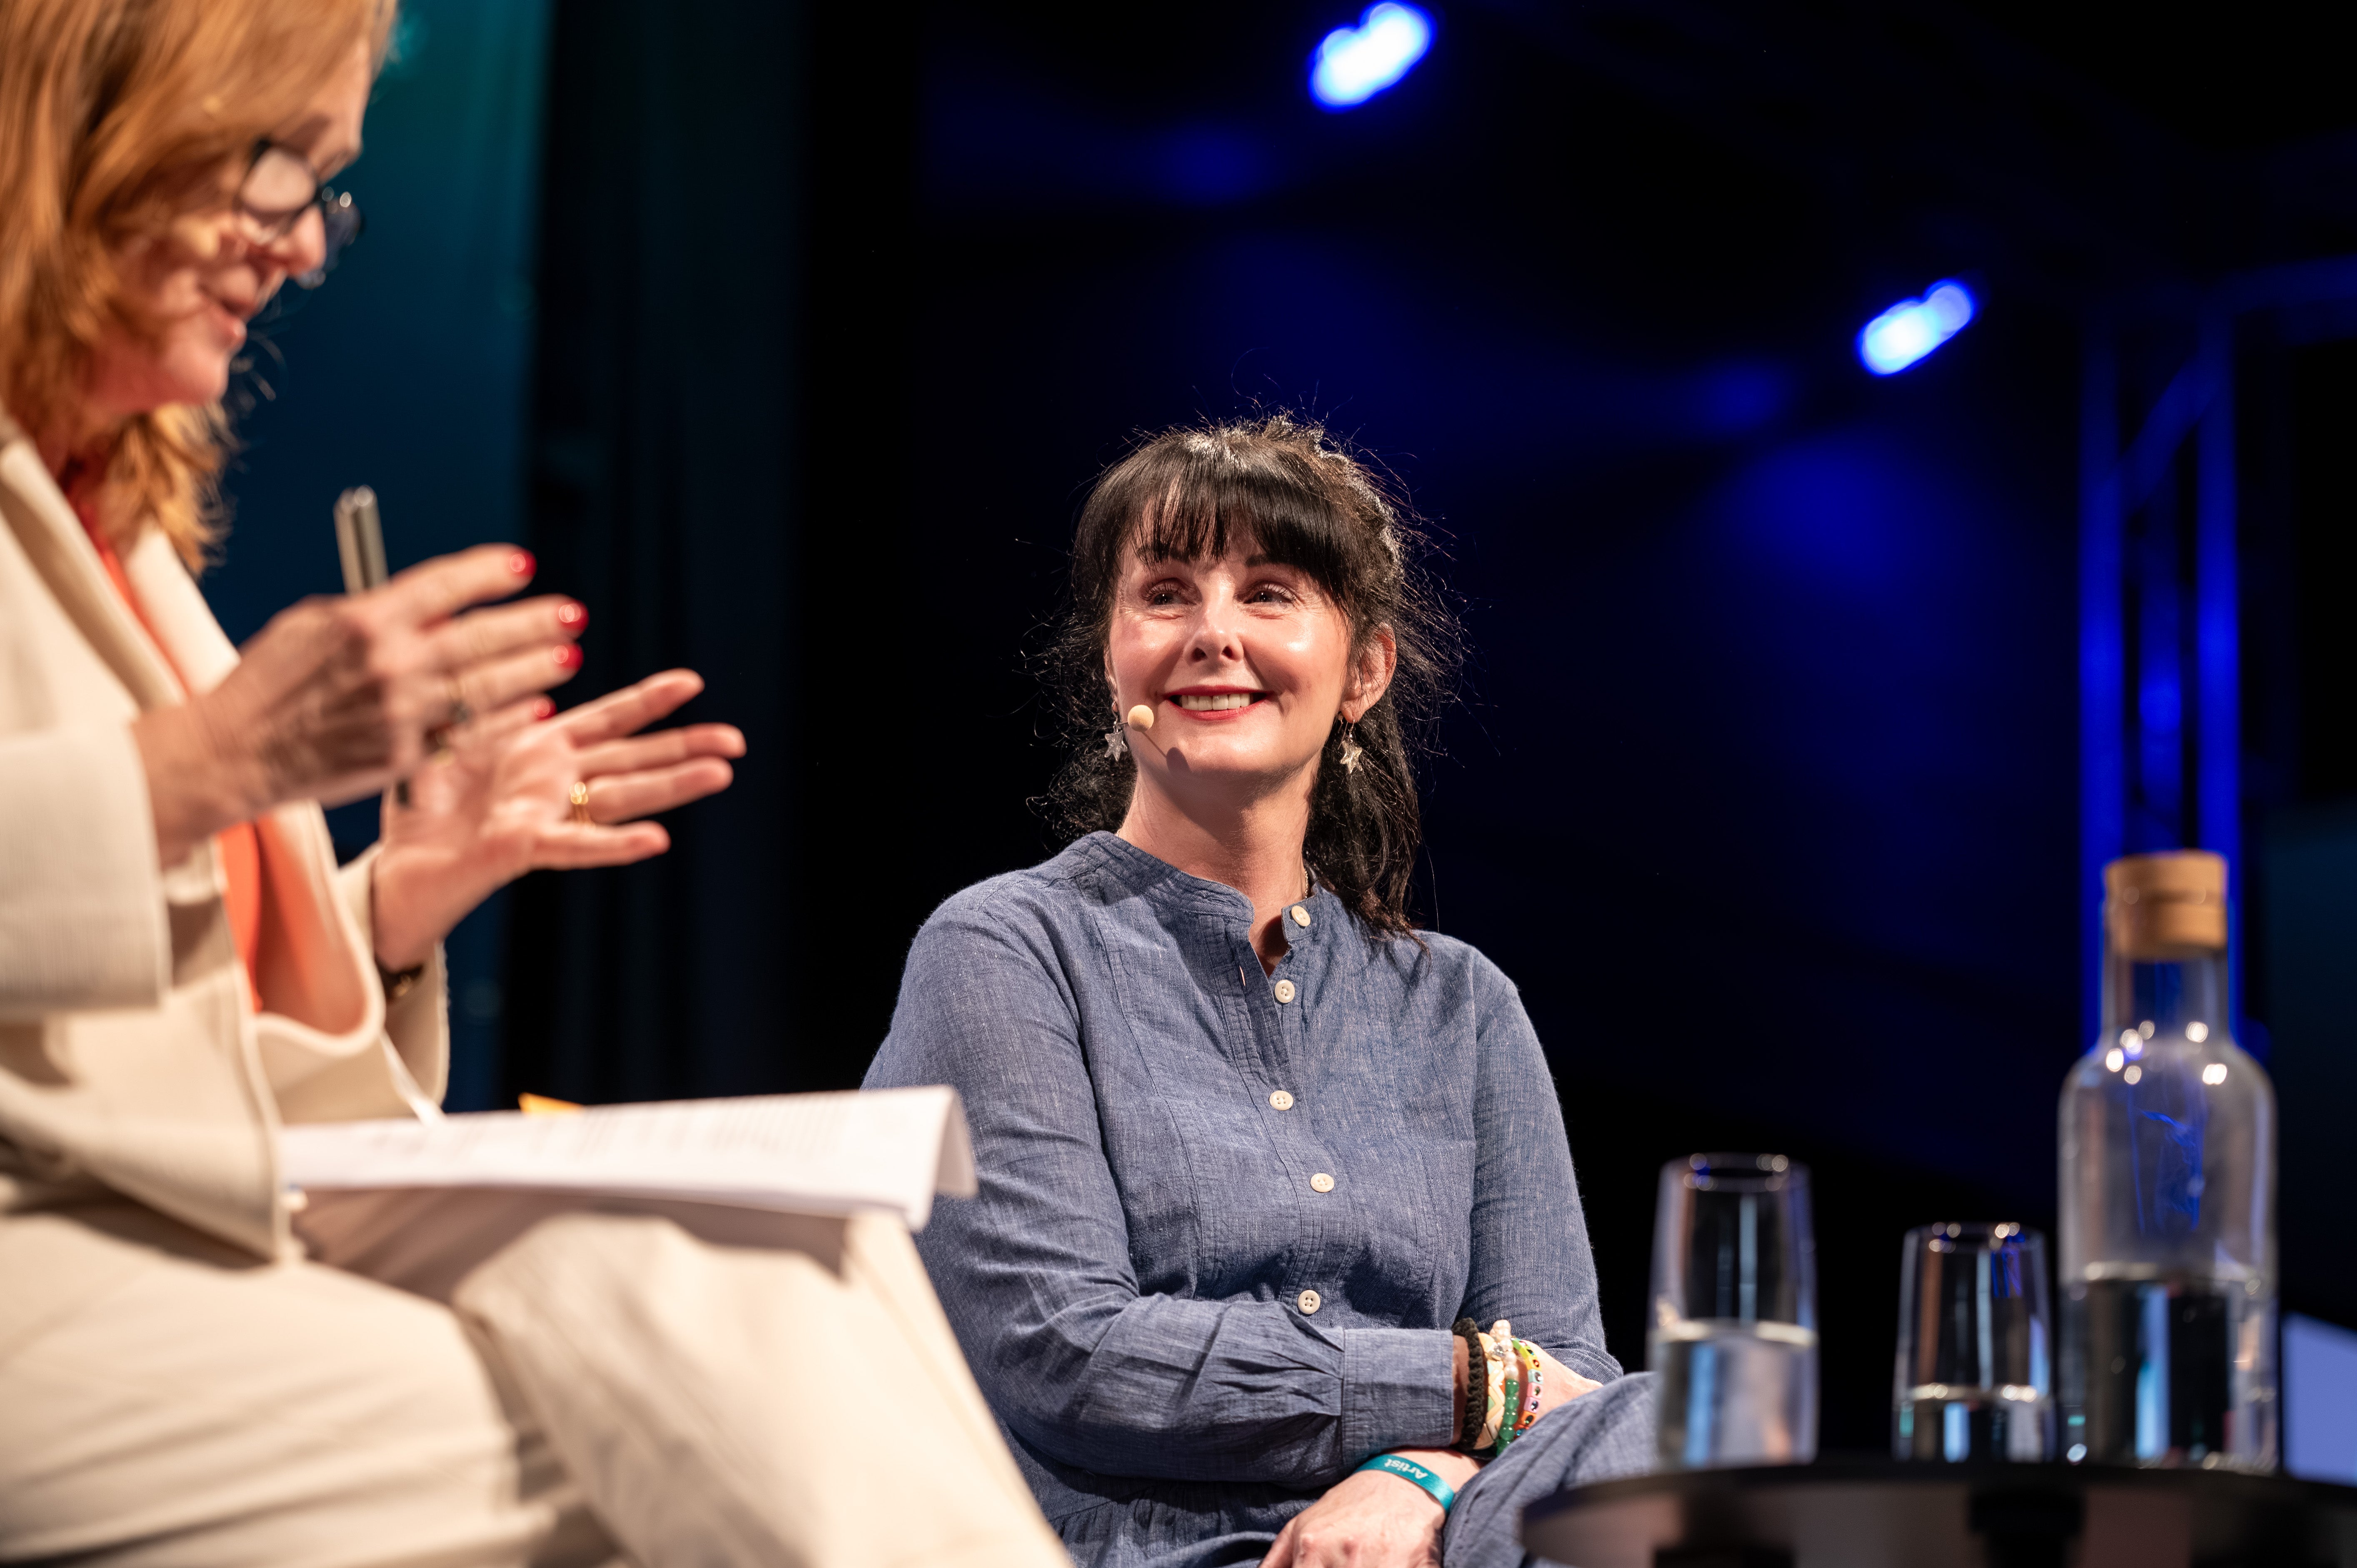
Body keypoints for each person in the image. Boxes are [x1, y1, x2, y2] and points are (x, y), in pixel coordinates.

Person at [0, 3, 1066, 1563]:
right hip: (55, 1248)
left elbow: (120, 1000)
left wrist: (387, 910)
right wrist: (206, 767)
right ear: (96, 119)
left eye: (326, 179)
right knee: (652, 1457)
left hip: (187, 1205)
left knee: (761, 1273)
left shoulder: (122, 525)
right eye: (270, 159)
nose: (303, 246)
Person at [864, 415, 1659, 1568]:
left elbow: (1569, 1379)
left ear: (1364, 672)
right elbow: (1066, 1355)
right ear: (1112, 656)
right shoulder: (1005, 947)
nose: (1213, 634)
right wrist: (1464, 1386)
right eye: (1167, 593)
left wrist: (1414, 1470)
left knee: (1676, 1420)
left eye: (1271, 593)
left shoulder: (1466, 1007)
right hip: (1148, 1546)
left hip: (1443, 1535)